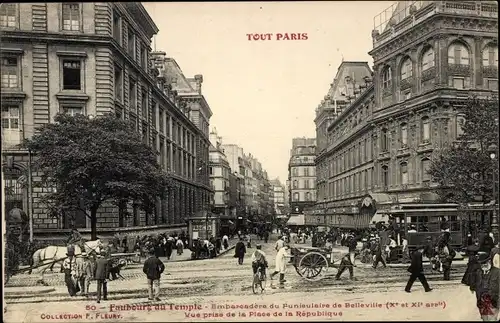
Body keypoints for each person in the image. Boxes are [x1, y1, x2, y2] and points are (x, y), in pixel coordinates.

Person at [469, 252, 500, 321]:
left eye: (485, 263)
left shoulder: (497, 272)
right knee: (484, 319)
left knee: (492, 319)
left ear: (489, 261)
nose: (483, 265)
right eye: (481, 264)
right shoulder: (478, 272)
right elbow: (473, 284)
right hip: (481, 301)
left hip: (493, 301)